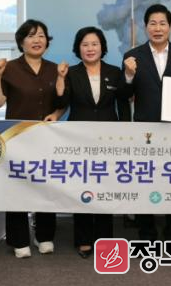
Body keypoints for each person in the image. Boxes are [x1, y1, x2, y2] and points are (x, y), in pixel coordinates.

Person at [0, 19, 65, 258]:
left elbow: (62, 102)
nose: (37, 40)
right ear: (21, 42)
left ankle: (44, 235)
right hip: (17, 138)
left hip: (47, 138)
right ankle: (18, 239)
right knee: (17, 186)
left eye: (41, 35)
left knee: (46, 185)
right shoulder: (9, 68)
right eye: (31, 36)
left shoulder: (55, 69)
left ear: (47, 41)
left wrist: (56, 114)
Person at [123, 3, 171, 241]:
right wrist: (129, 76)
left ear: (170, 27)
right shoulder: (133, 57)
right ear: (145, 27)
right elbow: (124, 95)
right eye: (153, 24)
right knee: (146, 181)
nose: (158, 28)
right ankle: (146, 232)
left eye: (162, 23)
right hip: (146, 131)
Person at [56, 26, 131, 258]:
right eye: (85, 44)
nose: (90, 48)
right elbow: (62, 101)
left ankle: (105, 238)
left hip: (109, 139)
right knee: (83, 188)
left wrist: (126, 132)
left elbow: (124, 100)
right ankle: (84, 239)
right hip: (79, 139)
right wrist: (60, 78)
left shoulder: (114, 72)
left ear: (102, 47)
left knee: (106, 189)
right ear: (78, 48)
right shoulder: (72, 73)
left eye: (94, 44)